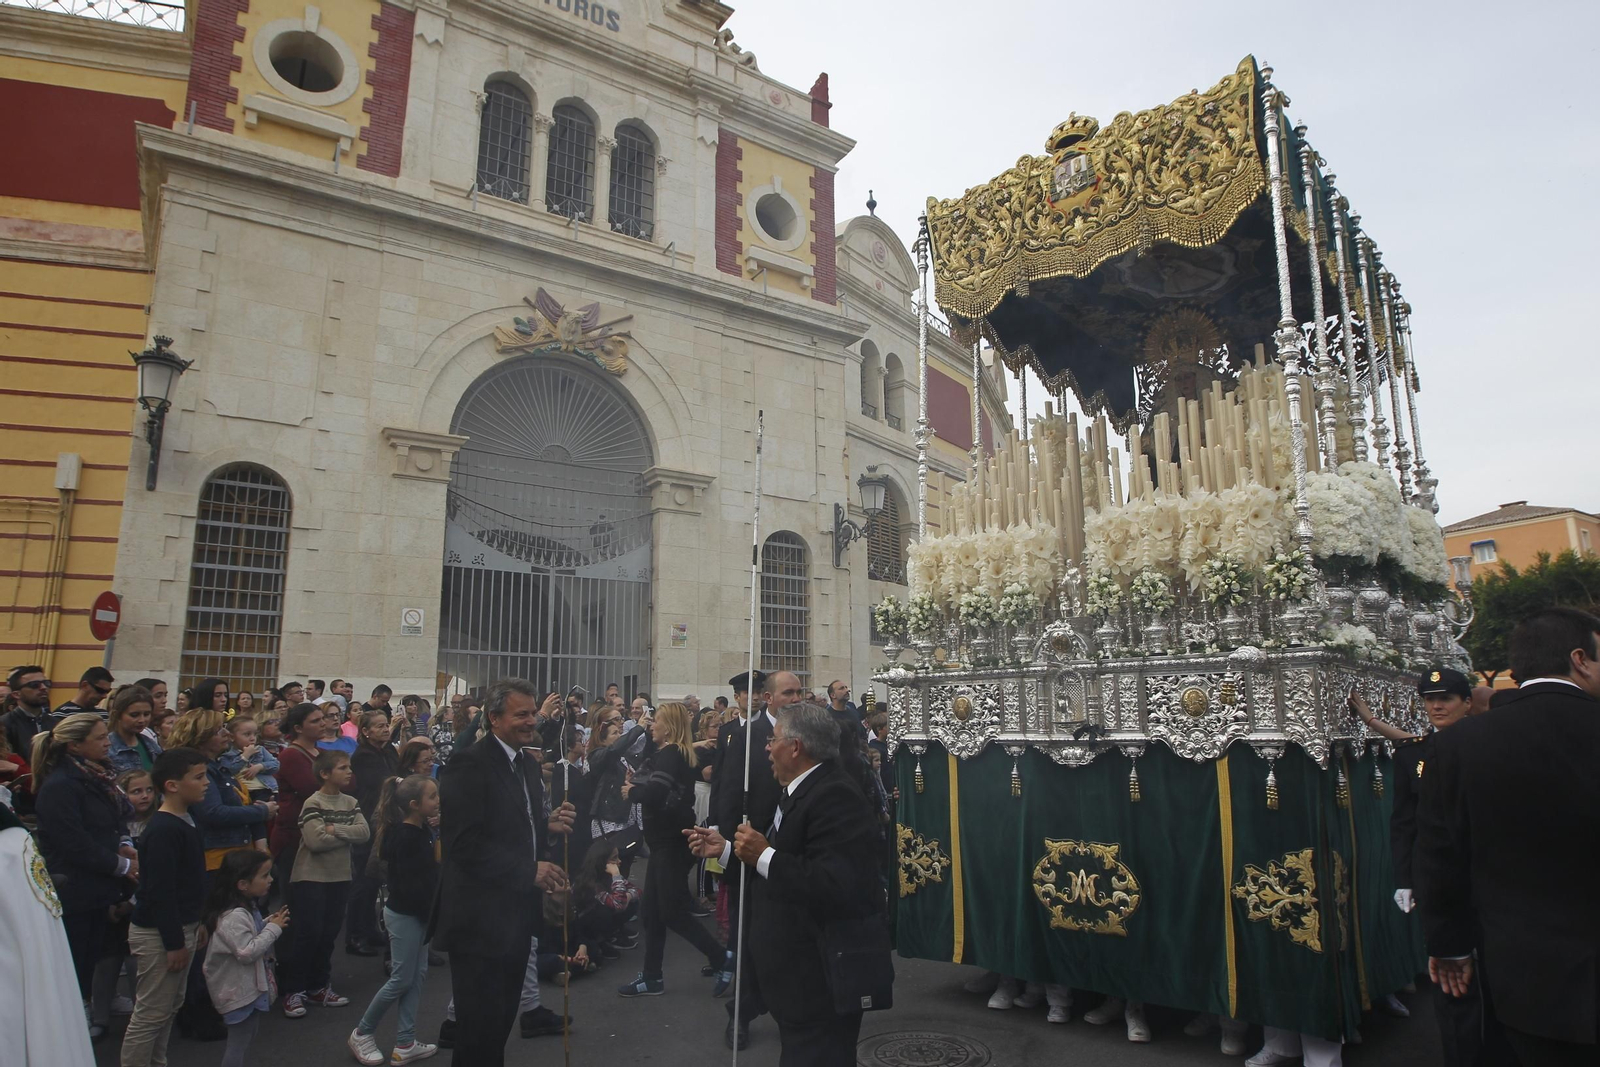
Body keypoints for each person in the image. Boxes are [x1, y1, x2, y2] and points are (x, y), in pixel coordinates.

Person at [1416, 607, 1600, 1067]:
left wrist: (1450, 946)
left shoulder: (1458, 745)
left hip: (1526, 981)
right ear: (1580, 659)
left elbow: (1441, 854)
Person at [687, 701, 887, 1060]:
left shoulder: (835, 795)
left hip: (818, 981)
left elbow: (835, 885)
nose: (767, 747)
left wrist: (763, 853)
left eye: (773, 739)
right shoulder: (800, 789)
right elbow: (778, 863)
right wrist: (729, 851)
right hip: (793, 982)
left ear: (795, 747)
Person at [429, 679, 574, 1067]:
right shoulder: (468, 764)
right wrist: (528, 869)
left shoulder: (525, 763)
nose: (531, 721)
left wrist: (548, 825)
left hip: (515, 918)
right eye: (521, 714)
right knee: (478, 1033)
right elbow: (463, 845)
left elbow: (517, 825)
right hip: (479, 922)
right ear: (494, 718)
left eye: (533, 712)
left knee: (498, 1027)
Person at [31, 711, 136, 1030]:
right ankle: (70, 1021)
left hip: (98, 885)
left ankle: (88, 1005)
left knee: (95, 951)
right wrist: (123, 866)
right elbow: (73, 843)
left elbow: (112, 821)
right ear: (75, 747)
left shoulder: (98, 776)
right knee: (74, 958)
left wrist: (123, 841)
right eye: (100, 738)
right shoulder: (60, 786)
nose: (108, 742)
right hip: (74, 887)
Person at [616, 702, 730, 997]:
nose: (652, 725)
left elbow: (655, 793)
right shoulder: (677, 752)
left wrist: (633, 792)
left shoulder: (670, 754)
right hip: (666, 842)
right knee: (653, 913)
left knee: (670, 911)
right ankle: (652, 977)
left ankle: (721, 959)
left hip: (670, 842)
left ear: (670, 727)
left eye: (657, 721)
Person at [122, 747, 209, 1067]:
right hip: (159, 934)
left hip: (180, 926)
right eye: (198, 777)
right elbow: (159, 893)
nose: (206, 783)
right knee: (150, 1014)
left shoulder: (187, 819)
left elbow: (188, 885)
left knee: (169, 1007)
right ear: (172, 785)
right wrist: (173, 942)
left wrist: (196, 922)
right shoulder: (163, 829)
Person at [712, 670, 792, 1007]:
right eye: (789, 693)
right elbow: (729, 791)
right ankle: (741, 1011)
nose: (796, 699)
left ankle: (786, 1001)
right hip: (753, 844)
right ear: (770, 698)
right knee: (748, 930)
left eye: (799, 693)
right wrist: (729, 846)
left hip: (792, 847)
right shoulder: (747, 736)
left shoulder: (804, 731)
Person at [348, 774, 441, 1065]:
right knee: (401, 979)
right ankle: (362, 1033)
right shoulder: (406, 837)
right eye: (433, 797)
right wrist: (431, 912)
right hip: (406, 915)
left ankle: (405, 1042)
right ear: (414, 805)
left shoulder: (419, 830)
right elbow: (412, 885)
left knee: (416, 978)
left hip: (417, 914)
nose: (439, 801)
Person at [283, 749, 368, 1018]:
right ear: (325, 773)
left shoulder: (350, 802)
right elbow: (315, 841)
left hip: (340, 875)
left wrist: (334, 829)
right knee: (308, 933)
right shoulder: (314, 803)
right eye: (343, 768)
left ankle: (319, 985)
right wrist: (346, 834)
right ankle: (293, 990)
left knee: (329, 933)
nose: (349, 772)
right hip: (311, 877)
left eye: (349, 767)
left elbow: (364, 832)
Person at [203, 849, 289, 1067]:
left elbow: (251, 932)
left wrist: (269, 922)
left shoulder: (246, 908)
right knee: (238, 1044)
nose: (270, 880)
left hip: (245, 989)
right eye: (264, 875)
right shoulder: (234, 916)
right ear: (242, 884)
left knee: (247, 1036)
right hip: (237, 992)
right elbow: (246, 951)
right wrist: (274, 929)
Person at [168, 709, 274, 870]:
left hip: (238, 855)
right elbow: (213, 812)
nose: (226, 733)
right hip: (218, 860)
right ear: (201, 738)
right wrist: (261, 811)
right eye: (218, 730)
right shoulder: (200, 772)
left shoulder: (219, 768)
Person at [346, 709, 398, 957]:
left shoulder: (388, 750)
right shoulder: (363, 756)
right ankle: (355, 935)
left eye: (386, 725)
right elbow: (385, 781)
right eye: (378, 726)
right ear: (365, 731)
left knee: (376, 878)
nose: (385, 729)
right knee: (364, 881)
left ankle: (370, 929)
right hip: (369, 819)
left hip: (385, 817)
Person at [270, 703, 329, 891]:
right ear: (298, 728)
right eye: (315, 721)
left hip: (321, 834)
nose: (323, 724)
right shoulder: (291, 756)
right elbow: (311, 787)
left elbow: (351, 782)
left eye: (323, 719)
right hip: (295, 837)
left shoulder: (324, 753)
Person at [4, 664, 56, 764]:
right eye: (35, 685)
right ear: (16, 694)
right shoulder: (4, 725)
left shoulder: (56, 724)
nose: (43, 687)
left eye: (46, 683)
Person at [221, 716, 279, 803]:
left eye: (255, 734)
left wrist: (260, 766)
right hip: (244, 793)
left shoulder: (260, 750)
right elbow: (230, 771)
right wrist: (245, 756)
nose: (253, 738)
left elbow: (276, 765)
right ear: (232, 737)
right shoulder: (227, 756)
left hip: (265, 790)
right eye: (247, 734)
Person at [109, 685, 163, 773]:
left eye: (146, 714)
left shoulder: (152, 745)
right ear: (117, 715)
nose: (142, 720)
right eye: (134, 715)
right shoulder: (108, 748)